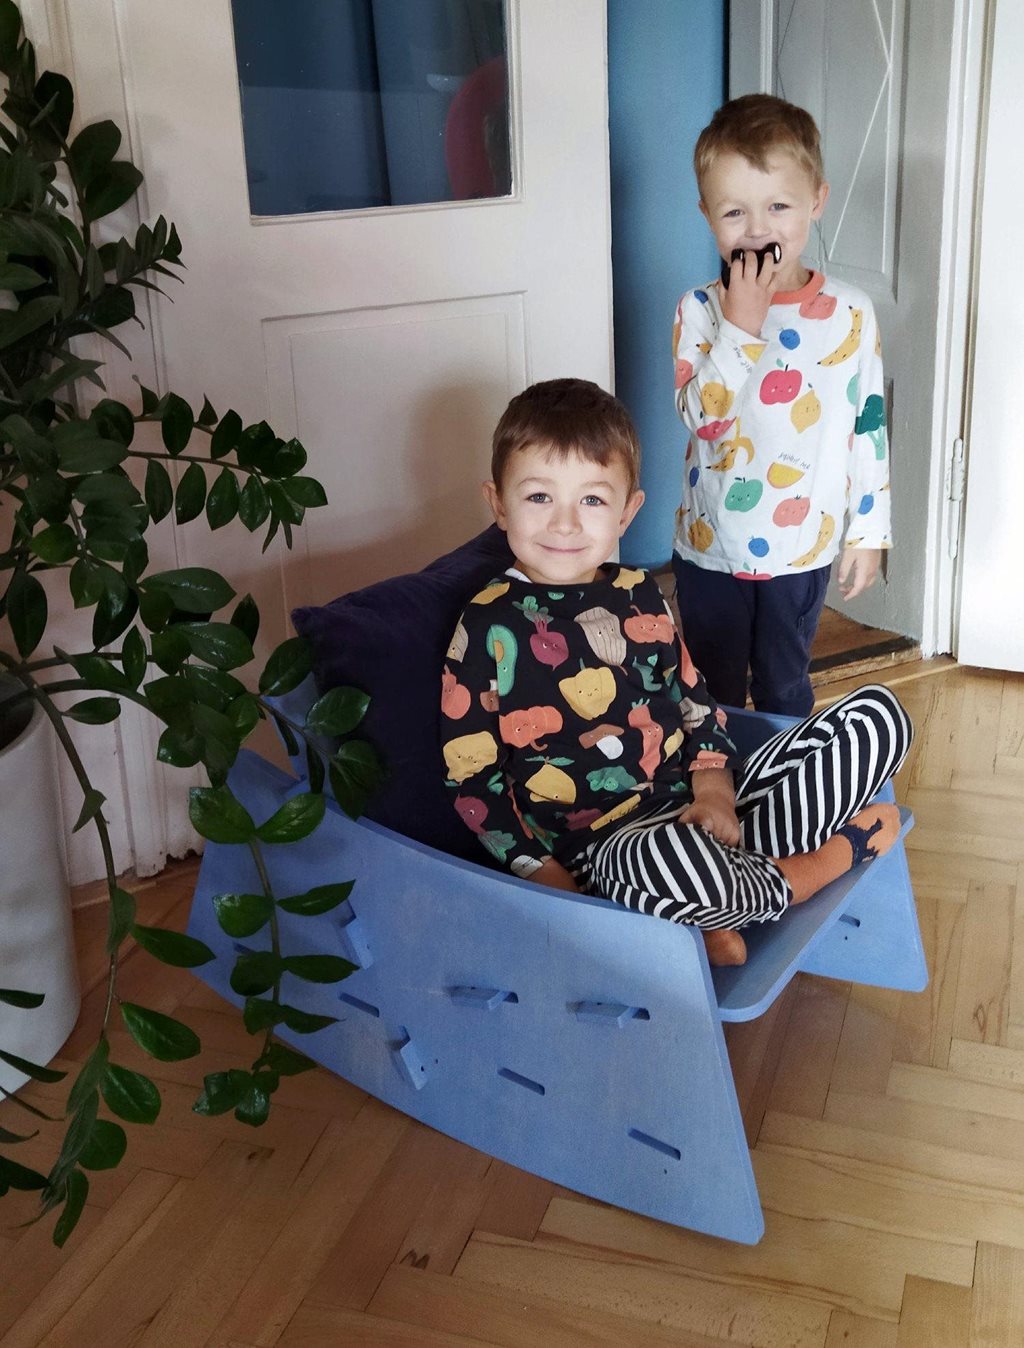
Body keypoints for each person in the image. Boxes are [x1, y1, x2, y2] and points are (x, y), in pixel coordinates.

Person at [441, 378, 912, 965]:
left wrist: (715, 792)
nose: (565, 523)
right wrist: (541, 872)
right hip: (603, 852)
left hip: (698, 808)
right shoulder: (487, 624)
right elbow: (471, 777)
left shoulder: (641, 594)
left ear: (627, 512)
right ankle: (810, 870)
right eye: (539, 497)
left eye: (592, 501)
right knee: (670, 862)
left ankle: (719, 893)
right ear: (498, 504)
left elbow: (695, 704)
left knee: (877, 717)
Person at [672, 93, 892, 716]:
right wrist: (741, 326)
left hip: (802, 544)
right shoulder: (700, 309)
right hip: (711, 542)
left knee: (785, 683)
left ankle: (786, 774)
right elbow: (703, 419)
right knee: (711, 688)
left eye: (778, 206)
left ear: (816, 201)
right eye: (734, 211)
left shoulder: (850, 314)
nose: (757, 229)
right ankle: (716, 775)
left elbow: (869, 426)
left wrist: (869, 531)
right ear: (707, 215)